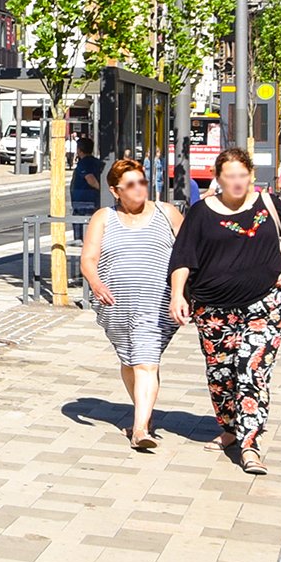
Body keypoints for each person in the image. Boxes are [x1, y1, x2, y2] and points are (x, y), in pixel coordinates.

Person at [168, 145, 281, 476]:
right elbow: (183, 258)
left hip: (265, 303)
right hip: (212, 309)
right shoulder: (201, 212)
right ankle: (231, 428)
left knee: (251, 368)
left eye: (242, 176)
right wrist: (177, 296)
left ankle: (250, 444)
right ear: (218, 178)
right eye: (229, 176)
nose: (236, 182)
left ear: (251, 176)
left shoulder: (268, 203)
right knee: (221, 376)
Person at [82, 157, 185, 451]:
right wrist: (96, 283)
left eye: (142, 181)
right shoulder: (103, 217)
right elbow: (89, 259)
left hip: (156, 302)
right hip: (115, 304)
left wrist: (183, 292)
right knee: (130, 359)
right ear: (116, 191)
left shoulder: (167, 213)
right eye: (131, 184)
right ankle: (143, 413)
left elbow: (190, 253)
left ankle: (140, 429)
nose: (140, 188)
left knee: (146, 360)